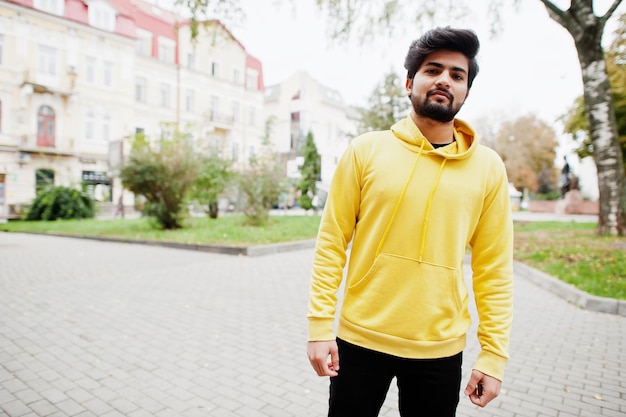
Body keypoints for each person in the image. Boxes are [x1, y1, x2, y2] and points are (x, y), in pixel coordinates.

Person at [307, 27, 513, 417]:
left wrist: (494, 356)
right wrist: (319, 327)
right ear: (409, 83)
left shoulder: (488, 168)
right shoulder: (365, 151)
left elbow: (494, 270)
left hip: (440, 348)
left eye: (457, 75)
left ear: (466, 91)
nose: (444, 80)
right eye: (432, 70)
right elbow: (332, 242)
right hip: (360, 339)